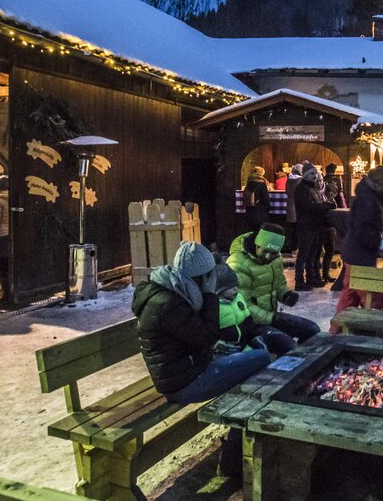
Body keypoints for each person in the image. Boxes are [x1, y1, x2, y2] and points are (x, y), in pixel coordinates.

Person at [132, 242, 272, 476]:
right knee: (261, 359)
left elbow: (199, 338)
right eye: (210, 277)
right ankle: (234, 458)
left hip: (190, 367)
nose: (213, 281)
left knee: (247, 360)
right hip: (183, 383)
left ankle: (234, 453)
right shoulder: (168, 304)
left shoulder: (175, 290)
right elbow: (206, 336)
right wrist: (210, 296)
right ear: (202, 277)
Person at [227, 224, 320, 346]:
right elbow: (241, 305)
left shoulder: (275, 258)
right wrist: (271, 318)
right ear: (257, 244)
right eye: (265, 251)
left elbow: (279, 283)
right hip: (249, 324)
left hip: (269, 316)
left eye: (273, 253)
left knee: (313, 330)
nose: (268, 257)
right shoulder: (238, 263)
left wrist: (285, 294)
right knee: (290, 346)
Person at [330, 167, 383, 328]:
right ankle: (369, 330)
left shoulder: (369, 197)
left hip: (354, 253)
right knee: (371, 296)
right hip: (360, 256)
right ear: (381, 183)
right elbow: (364, 232)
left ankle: (337, 329)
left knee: (350, 295)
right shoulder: (368, 201)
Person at [293, 165, 334, 289]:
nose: (314, 176)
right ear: (305, 175)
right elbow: (311, 207)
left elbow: (317, 203)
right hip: (306, 226)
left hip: (315, 225)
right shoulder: (302, 189)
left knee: (313, 253)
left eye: (315, 173)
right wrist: (327, 206)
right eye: (311, 174)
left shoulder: (312, 188)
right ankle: (299, 280)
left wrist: (326, 204)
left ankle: (311, 277)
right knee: (304, 253)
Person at [243, 166, 271, 234]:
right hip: (260, 212)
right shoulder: (262, 184)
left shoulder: (249, 183)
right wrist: (268, 208)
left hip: (249, 211)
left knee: (250, 232)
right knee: (259, 232)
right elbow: (265, 199)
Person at [283, 164, 303, 253]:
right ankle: (298, 249)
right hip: (299, 207)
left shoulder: (289, 180)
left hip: (290, 206)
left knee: (292, 230)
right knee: (299, 229)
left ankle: (293, 249)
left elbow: (287, 192)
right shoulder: (301, 180)